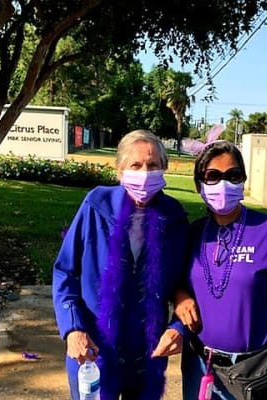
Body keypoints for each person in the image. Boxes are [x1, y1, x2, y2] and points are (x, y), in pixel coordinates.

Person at [52, 129, 188, 400]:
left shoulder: (174, 217)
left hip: (147, 354)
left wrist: (178, 327)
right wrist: (72, 329)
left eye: (153, 165)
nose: (144, 173)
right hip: (94, 350)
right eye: (135, 165)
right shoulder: (96, 205)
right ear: (120, 171)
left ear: (164, 170)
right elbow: (65, 271)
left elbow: (186, 281)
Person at [174, 140, 267, 400]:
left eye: (233, 175)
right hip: (200, 367)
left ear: (243, 180)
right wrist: (181, 296)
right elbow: (177, 281)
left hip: (258, 373)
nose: (223, 184)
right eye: (213, 176)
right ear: (199, 184)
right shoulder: (192, 234)